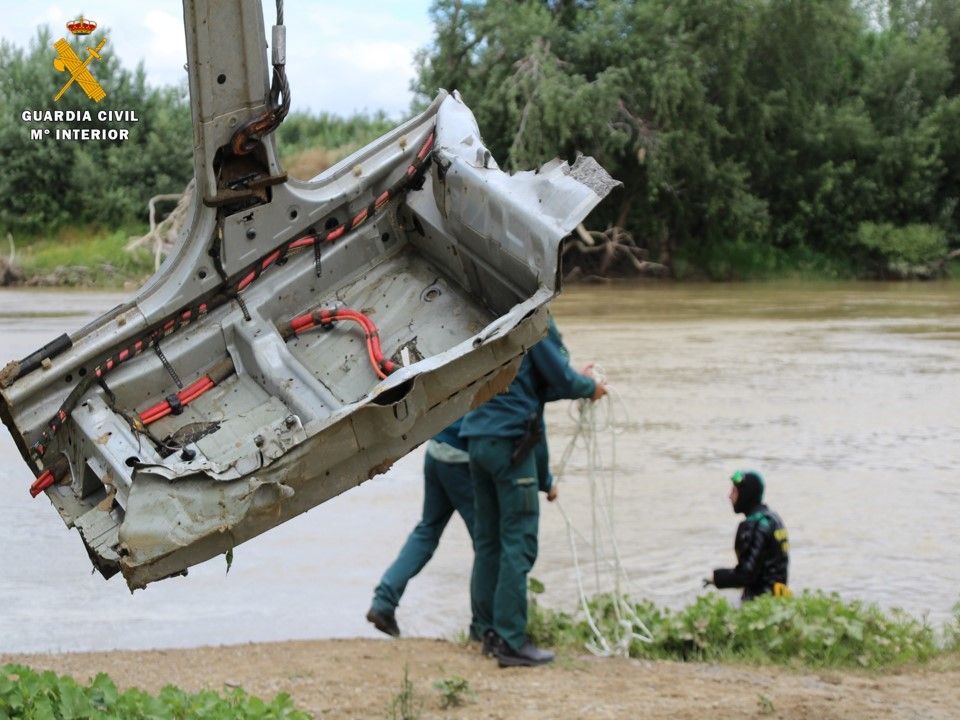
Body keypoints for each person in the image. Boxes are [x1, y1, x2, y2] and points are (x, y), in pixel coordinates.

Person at [460, 315, 606, 667]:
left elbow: (539, 385)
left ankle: (485, 632)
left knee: (489, 542)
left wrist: (544, 479)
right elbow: (558, 377)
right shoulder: (533, 320)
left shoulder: (494, 315)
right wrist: (590, 387)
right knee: (518, 543)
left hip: (478, 438)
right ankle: (511, 639)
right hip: (511, 443)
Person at [366, 418, 474, 637]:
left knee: (427, 529)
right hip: (463, 459)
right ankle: (485, 625)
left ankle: (383, 603)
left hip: (437, 447)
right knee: (488, 544)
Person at [705, 470, 790, 601]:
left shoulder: (752, 526)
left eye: (734, 491)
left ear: (745, 495)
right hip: (779, 599)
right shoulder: (774, 518)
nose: (729, 496)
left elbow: (746, 574)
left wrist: (714, 578)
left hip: (761, 603)